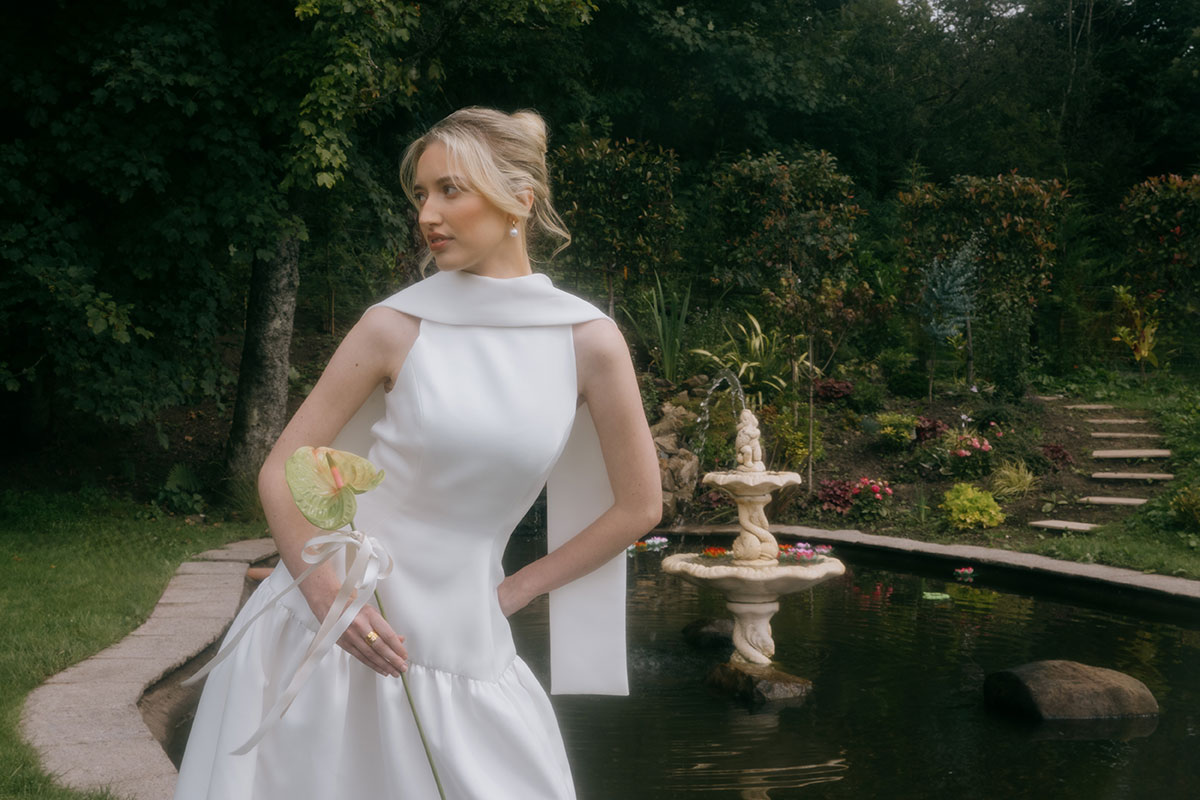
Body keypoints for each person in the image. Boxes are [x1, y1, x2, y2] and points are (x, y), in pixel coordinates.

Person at [173, 107, 662, 799]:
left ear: (519, 199)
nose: (428, 214)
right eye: (421, 195)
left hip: (467, 635)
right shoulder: (394, 325)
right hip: (325, 632)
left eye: (450, 190)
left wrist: (514, 591)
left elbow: (641, 504)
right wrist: (327, 601)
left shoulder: (588, 342)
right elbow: (284, 469)